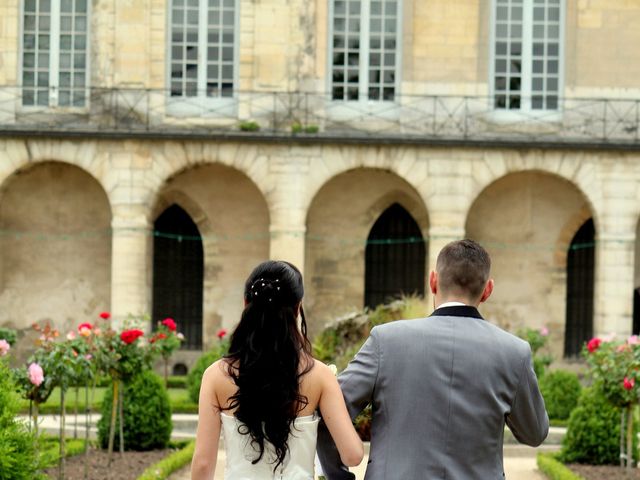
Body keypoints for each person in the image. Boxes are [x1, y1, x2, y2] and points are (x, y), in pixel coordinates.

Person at [317, 239, 549, 479]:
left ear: (433, 281)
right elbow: (535, 433)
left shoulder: (385, 340)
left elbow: (328, 411)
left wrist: (339, 476)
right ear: (488, 290)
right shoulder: (514, 352)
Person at [191, 260, 363, 480]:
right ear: (298, 308)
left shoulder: (216, 375)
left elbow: (203, 465)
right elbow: (352, 455)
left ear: (246, 304)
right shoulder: (319, 375)